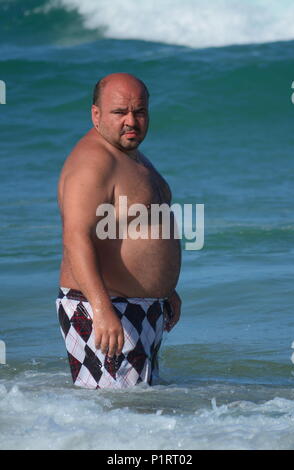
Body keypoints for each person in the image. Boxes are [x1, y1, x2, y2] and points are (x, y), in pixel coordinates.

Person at [56, 72, 182, 389]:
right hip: (105, 307)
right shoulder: (93, 161)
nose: (131, 121)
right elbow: (76, 236)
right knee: (114, 413)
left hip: (137, 307)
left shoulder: (131, 156)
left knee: (139, 412)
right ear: (95, 114)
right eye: (120, 112)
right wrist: (101, 308)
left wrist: (166, 290)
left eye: (139, 112)